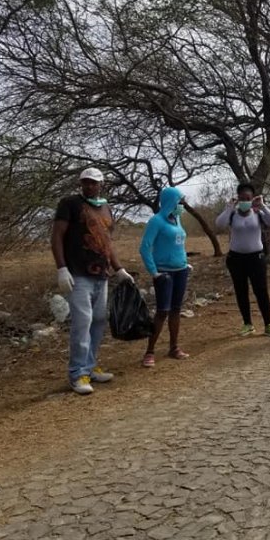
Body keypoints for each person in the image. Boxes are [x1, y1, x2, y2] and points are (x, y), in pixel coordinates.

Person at [51, 167, 134, 394]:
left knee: (98, 320)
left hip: (101, 274)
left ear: (101, 184)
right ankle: (77, 374)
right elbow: (57, 235)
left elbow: (107, 243)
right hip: (78, 273)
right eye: (85, 182)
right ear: (81, 184)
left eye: (93, 182)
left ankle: (89, 366)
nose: (89, 186)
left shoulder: (105, 208)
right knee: (82, 322)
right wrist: (61, 268)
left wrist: (119, 269)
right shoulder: (70, 203)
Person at [215, 182, 270, 338]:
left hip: (256, 258)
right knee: (241, 291)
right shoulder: (232, 214)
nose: (245, 201)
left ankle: (268, 325)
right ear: (238, 198)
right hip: (236, 259)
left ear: (252, 198)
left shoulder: (257, 213)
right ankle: (247, 324)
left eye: (248, 198)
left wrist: (263, 206)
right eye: (242, 198)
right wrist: (229, 208)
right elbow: (219, 224)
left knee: (261, 291)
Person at [139, 187, 191, 367]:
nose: (182, 206)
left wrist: (185, 261)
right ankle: (149, 351)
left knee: (176, 309)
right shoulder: (156, 221)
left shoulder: (177, 219)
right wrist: (154, 271)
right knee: (162, 311)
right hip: (164, 273)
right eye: (180, 202)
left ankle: (174, 347)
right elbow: (145, 247)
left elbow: (179, 243)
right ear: (170, 201)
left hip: (181, 270)